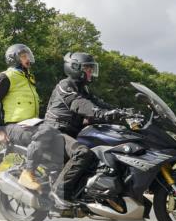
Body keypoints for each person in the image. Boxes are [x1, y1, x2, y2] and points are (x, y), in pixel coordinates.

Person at [45, 52, 129, 211]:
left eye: (92, 69)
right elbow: (79, 104)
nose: (91, 72)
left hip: (73, 133)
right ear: (75, 68)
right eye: (87, 68)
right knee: (83, 153)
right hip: (55, 132)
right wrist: (99, 113)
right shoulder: (65, 85)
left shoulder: (84, 89)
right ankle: (59, 192)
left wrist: (121, 112)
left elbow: (98, 103)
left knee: (101, 152)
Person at [0, 44, 65, 195]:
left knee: (59, 137)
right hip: (13, 126)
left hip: (30, 125)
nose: (27, 59)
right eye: (23, 56)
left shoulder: (28, 77)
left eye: (28, 55)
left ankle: (56, 189)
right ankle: (28, 173)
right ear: (13, 58)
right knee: (47, 130)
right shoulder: (7, 76)